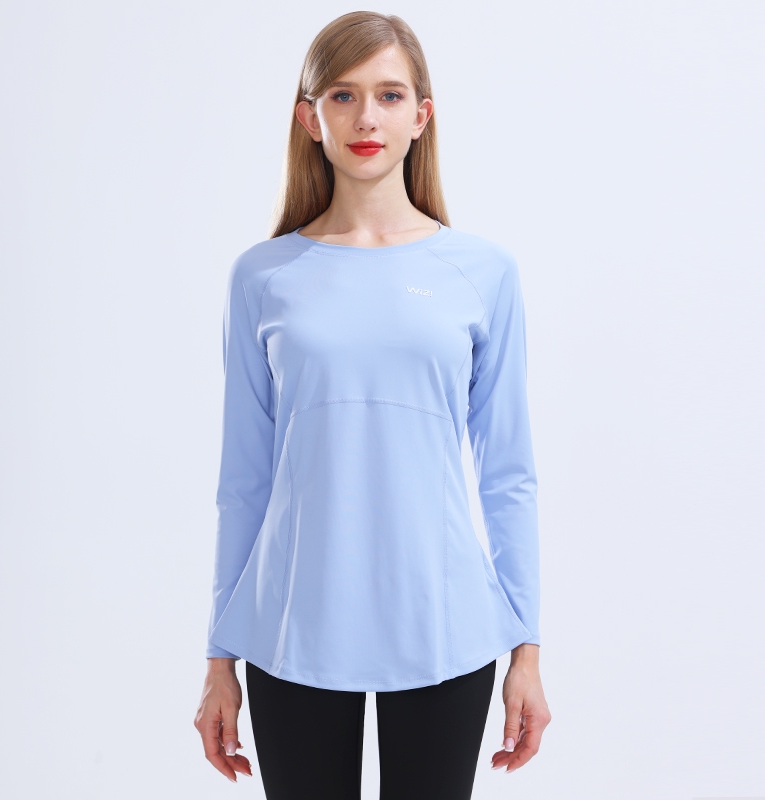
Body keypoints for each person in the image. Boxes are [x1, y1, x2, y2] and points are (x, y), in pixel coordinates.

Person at [193, 11, 551, 799]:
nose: (366, 118)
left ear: (421, 116)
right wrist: (219, 660)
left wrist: (526, 650)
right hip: (293, 626)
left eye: (389, 95)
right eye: (343, 95)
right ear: (309, 117)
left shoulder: (482, 273)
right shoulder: (262, 277)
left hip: (445, 624)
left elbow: (509, 474)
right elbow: (242, 481)